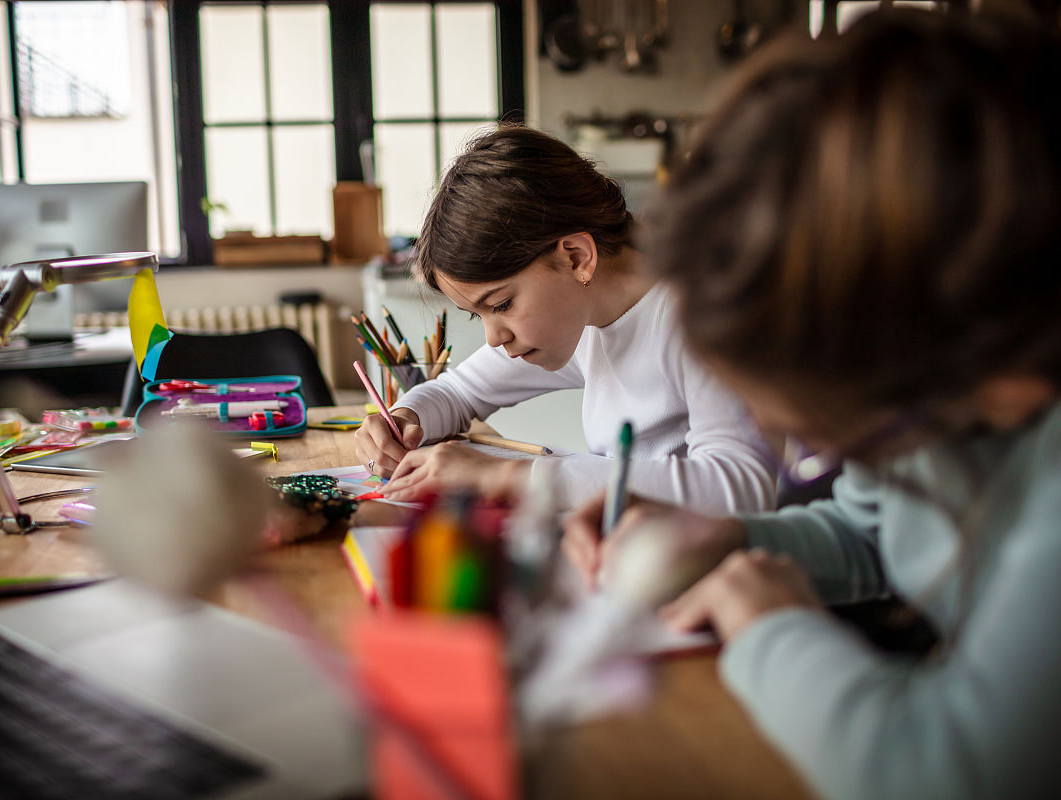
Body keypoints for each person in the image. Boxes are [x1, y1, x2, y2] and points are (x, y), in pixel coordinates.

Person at [563, 8, 1061, 799]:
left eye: (824, 423)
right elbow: (871, 530)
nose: (784, 438)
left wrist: (770, 626)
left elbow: (946, 773)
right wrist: (725, 540)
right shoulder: (935, 395)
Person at [354, 126, 777, 513]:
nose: (495, 337)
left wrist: (503, 474)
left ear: (576, 257)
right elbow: (460, 392)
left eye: (501, 305)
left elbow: (740, 485)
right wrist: (405, 418)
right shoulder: (585, 315)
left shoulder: (699, 314)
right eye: (476, 315)